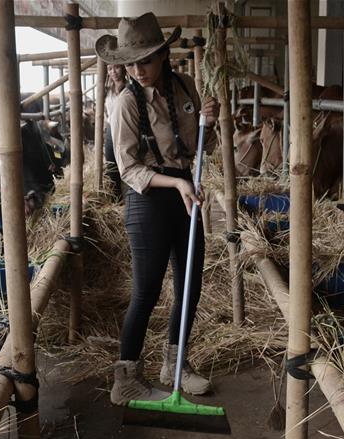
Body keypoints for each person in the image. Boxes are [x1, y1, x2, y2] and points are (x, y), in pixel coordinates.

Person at [95, 12, 218, 406]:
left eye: (144, 60)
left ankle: (175, 364)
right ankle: (126, 377)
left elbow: (203, 147)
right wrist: (179, 182)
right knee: (146, 290)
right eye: (130, 62)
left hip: (185, 191)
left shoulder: (184, 87)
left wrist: (209, 124)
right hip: (148, 198)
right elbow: (129, 168)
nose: (137, 69)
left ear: (163, 54)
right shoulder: (126, 103)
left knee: (189, 284)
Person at [103, 63, 127, 198]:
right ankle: (116, 198)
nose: (113, 72)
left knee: (126, 162)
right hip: (111, 130)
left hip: (125, 129)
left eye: (116, 67)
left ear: (123, 68)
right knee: (111, 165)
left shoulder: (130, 88)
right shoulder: (107, 90)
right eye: (110, 69)